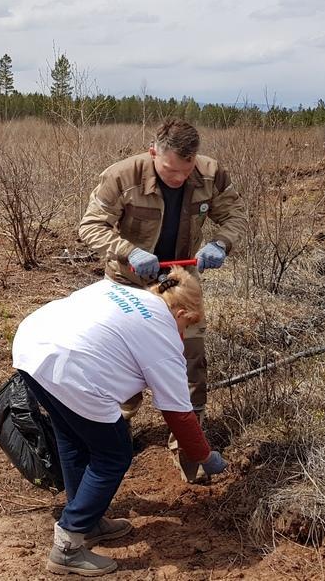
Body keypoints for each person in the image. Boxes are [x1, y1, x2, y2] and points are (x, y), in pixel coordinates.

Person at [13, 268, 228, 576]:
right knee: (113, 454)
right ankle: (68, 546)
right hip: (70, 371)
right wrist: (206, 456)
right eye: (187, 325)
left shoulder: (123, 291)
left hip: (31, 346)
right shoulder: (162, 335)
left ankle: (90, 521)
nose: (184, 333)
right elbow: (179, 415)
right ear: (180, 312)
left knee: (74, 439)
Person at [77, 118, 247, 480]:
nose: (178, 179)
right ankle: (114, 436)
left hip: (179, 283)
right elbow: (90, 226)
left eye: (186, 172)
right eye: (170, 170)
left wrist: (221, 242)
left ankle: (188, 453)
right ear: (153, 152)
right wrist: (127, 251)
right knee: (124, 364)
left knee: (190, 363)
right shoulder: (122, 176)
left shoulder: (211, 174)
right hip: (129, 283)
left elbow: (235, 215)